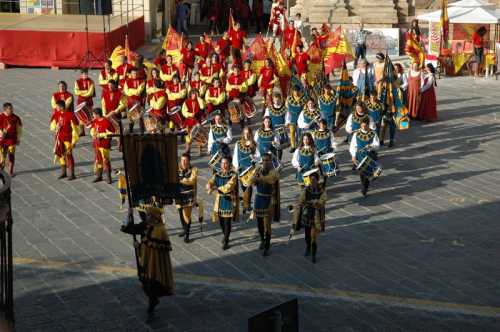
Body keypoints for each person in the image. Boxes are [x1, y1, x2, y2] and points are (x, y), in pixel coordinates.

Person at [121, 206, 174, 317]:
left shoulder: (161, 231)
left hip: (156, 265)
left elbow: (160, 250)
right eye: (147, 215)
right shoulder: (144, 225)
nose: (147, 217)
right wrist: (129, 215)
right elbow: (128, 229)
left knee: (152, 285)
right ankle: (153, 300)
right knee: (144, 283)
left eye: (149, 215)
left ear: (155, 217)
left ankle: (152, 304)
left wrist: (140, 246)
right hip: (145, 261)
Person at [292, 171, 326, 263]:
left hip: (316, 215)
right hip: (307, 214)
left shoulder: (321, 190)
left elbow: (323, 200)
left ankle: (314, 254)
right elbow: (301, 200)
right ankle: (308, 246)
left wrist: (317, 203)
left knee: (313, 236)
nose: (312, 182)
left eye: (314, 180)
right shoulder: (306, 190)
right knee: (307, 235)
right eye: (311, 180)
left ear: (317, 180)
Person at [249, 152, 280, 256]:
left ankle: (267, 245)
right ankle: (262, 240)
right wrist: (254, 178)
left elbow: (270, 180)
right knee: (259, 223)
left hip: (268, 199)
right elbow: (251, 181)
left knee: (267, 225)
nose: (265, 162)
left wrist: (258, 178)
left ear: (271, 161)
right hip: (258, 198)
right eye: (264, 160)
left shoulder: (274, 172)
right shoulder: (258, 170)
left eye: (267, 160)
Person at [206, 157, 238, 250]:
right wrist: (209, 185)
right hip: (219, 201)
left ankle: (226, 241)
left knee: (227, 222)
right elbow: (211, 181)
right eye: (222, 163)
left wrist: (216, 188)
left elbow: (229, 186)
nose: (224, 165)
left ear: (229, 164)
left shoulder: (233, 175)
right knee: (221, 222)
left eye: (226, 163)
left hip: (229, 200)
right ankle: (225, 235)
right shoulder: (217, 174)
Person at [349, 117, 380, 196]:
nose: (364, 126)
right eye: (362, 125)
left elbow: (377, 145)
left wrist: (371, 146)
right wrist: (353, 156)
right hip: (360, 156)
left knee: (368, 172)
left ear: (368, 125)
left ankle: (365, 187)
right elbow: (353, 145)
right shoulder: (356, 133)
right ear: (361, 124)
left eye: (365, 125)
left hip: (370, 156)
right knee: (362, 173)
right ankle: (364, 185)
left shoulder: (373, 133)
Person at [50, 100, 79, 180]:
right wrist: (55, 127)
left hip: (67, 138)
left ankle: (72, 174)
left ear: (62, 107)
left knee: (69, 155)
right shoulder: (56, 114)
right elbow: (52, 124)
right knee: (61, 154)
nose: (56, 108)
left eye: (57, 106)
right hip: (59, 138)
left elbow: (75, 129)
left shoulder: (70, 115)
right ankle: (64, 172)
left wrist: (74, 141)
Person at [176, 153, 200, 243]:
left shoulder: (194, 169)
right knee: (180, 213)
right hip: (178, 195)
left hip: (188, 195)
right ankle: (184, 229)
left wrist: (180, 180)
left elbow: (191, 181)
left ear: (189, 161)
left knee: (187, 215)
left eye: (186, 160)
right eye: (182, 160)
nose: (184, 162)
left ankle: (187, 235)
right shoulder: (177, 169)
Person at [233, 126, 257, 214]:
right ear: (243, 133)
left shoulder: (253, 144)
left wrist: (253, 157)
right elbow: (235, 155)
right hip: (241, 169)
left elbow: (258, 156)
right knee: (243, 187)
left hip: (250, 169)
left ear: (250, 134)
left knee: (249, 186)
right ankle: (245, 202)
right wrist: (235, 166)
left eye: (248, 133)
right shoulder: (238, 143)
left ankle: (247, 205)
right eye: (245, 133)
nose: (246, 135)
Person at [90, 108, 116, 184]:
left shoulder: (106, 122)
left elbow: (111, 133)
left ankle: (109, 177)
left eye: (94, 114)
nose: (93, 116)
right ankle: (99, 176)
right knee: (98, 159)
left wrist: (101, 135)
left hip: (104, 144)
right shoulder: (95, 121)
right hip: (96, 144)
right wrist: (93, 134)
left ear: (98, 114)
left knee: (106, 160)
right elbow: (92, 129)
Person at [0, 103, 22, 176]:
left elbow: (19, 129)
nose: (12, 110)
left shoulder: (16, 118)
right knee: (2, 156)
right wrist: (1, 133)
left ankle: (10, 171)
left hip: (12, 140)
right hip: (2, 140)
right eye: (10, 109)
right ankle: (1, 170)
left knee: (11, 154)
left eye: (12, 108)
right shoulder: (1, 117)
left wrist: (18, 138)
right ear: (5, 110)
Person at [286, 85, 307, 152]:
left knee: (300, 133)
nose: (296, 93)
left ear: (300, 91)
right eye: (295, 92)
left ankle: (301, 144)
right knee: (292, 132)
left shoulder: (303, 99)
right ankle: (293, 146)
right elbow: (286, 107)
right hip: (292, 118)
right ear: (292, 92)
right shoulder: (289, 98)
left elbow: (305, 108)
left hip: (300, 118)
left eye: (297, 91)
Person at [74, 68, 95, 135]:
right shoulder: (77, 81)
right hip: (80, 101)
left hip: (88, 101)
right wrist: (85, 91)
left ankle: (93, 130)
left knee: (90, 115)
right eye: (83, 73)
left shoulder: (91, 81)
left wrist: (82, 93)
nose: (84, 75)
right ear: (81, 74)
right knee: (81, 116)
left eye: (86, 73)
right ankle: (82, 131)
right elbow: (76, 92)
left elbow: (90, 93)